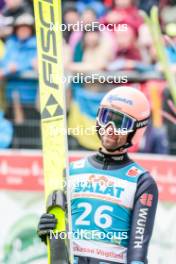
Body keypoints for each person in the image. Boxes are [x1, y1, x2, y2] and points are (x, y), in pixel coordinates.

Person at [37, 86, 158, 264]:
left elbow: (138, 251)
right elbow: (61, 232)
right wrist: (48, 232)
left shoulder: (142, 181)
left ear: (136, 129)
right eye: (106, 118)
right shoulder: (72, 171)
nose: (109, 128)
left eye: (120, 123)